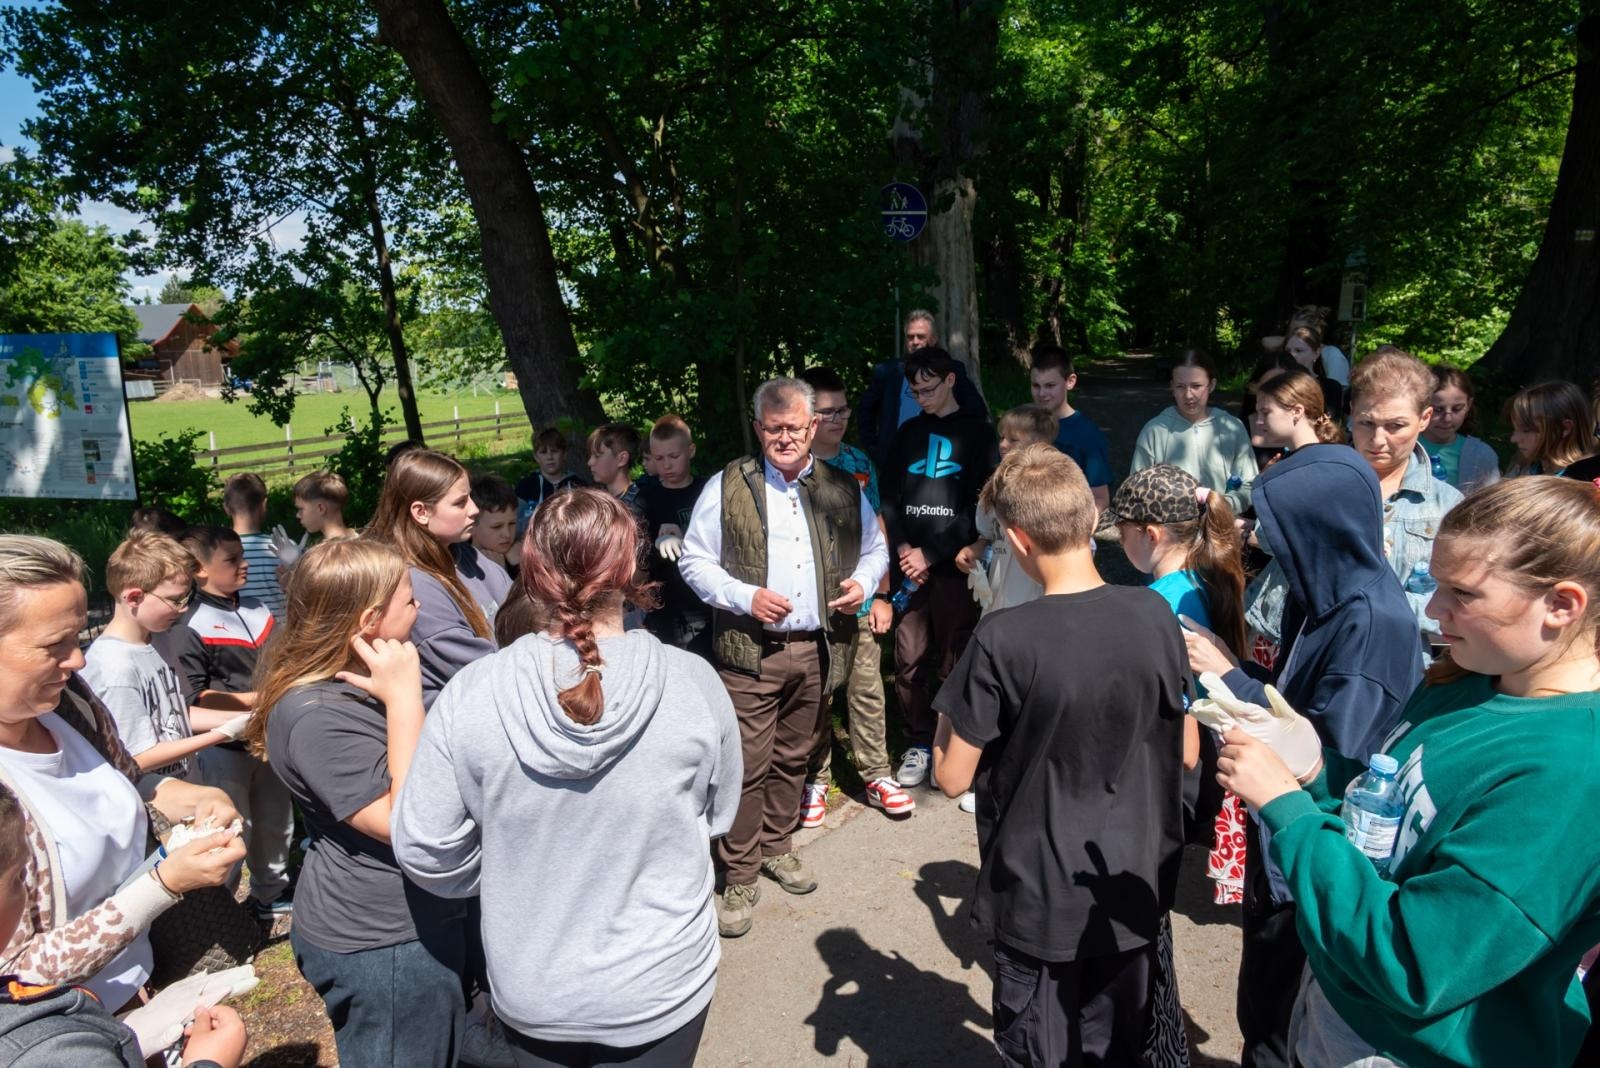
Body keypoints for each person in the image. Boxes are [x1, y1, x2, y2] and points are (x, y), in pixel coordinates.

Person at [1199, 476, 1600, 1068]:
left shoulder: (1567, 773)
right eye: (1436, 584)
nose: (1433, 611)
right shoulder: (1469, 678)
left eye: (1463, 593)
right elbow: (1395, 814)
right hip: (1347, 993)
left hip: (1411, 1045)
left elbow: (1414, 964)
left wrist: (1288, 809)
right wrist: (1318, 771)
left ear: (1561, 606)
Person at [392, 488, 742, 1065]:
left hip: (535, 991)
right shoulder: (694, 683)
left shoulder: (471, 694)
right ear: (629, 568)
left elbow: (426, 848)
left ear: (531, 570)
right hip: (664, 983)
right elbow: (718, 813)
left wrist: (508, 868)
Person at [930, 444, 1190, 1067]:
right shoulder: (1156, 612)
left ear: (1018, 540)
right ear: (1091, 518)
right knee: (1118, 1050)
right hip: (1131, 887)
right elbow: (1184, 751)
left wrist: (950, 701)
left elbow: (950, 775)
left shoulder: (1001, 638)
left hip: (1039, 900)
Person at [1181, 444, 1423, 1068]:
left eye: (1276, 525)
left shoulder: (1370, 628)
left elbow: (1322, 760)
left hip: (1308, 858)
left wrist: (1229, 678)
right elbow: (1293, 700)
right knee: (1260, 1003)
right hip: (1279, 844)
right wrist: (1233, 669)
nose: (1261, 538)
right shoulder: (1323, 594)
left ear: (1319, 527)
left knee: (1277, 1019)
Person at [679, 377, 888, 937]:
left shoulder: (842, 486)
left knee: (794, 756)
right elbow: (694, 561)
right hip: (751, 652)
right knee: (746, 764)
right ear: (758, 428)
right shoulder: (728, 484)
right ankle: (739, 874)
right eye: (774, 429)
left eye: (794, 427)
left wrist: (863, 583)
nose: (785, 438)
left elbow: (875, 550)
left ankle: (777, 846)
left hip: (818, 647)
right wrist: (743, 597)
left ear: (813, 426)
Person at [0, 535, 246, 1009]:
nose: (78, 659)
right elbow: (13, 970)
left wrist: (194, 797)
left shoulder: (71, 704)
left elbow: (127, 778)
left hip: (140, 988)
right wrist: (162, 886)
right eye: (54, 644)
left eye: (76, 637)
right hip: (64, 1022)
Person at [252, 540, 467, 1066]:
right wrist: (404, 698)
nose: (420, 608)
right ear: (371, 620)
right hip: (383, 942)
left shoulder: (350, 685)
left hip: (410, 921)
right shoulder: (317, 715)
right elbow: (407, 821)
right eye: (410, 601)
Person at [0, 782, 249, 1067]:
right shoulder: (49, 1049)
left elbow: (137, 779)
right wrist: (209, 1063)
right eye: (20, 876)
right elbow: (18, 964)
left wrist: (119, 1035)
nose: (26, 886)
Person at [797, 367, 913, 824]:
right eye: (827, 412)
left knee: (866, 691)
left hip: (861, 598)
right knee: (817, 694)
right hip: (811, 606)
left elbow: (877, 528)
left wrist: (882, 594)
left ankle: (877, 775)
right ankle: (815, 779)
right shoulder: (793, 466)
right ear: (807, 416)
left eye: (843, 409)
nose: (838, 419)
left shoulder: (859, 461)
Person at [162, 526, 294, 923]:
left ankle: (271, 893)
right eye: (232, 559)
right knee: (234, 827)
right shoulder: (189, 624)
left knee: (276, 820)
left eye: (243, 556)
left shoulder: (258, 607)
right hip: (223, 748)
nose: (245, 565)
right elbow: (193, 697)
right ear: (199, 570)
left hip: (268, 738)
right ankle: (221, 914)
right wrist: (257, 701)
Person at [881, 347, 998, 789]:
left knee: (954, 658)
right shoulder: (908, 432)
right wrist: (905, 548)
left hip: (952, 568)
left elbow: (980, 507)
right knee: (909, 658)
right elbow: (889, 498)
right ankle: (918, 740)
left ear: (950, 381)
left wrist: (931, 553)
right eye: (915, 391)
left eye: (928, 389)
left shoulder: (978, 434)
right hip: (910, 569)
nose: (921, 398)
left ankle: (952, 743)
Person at [81, 532, 244, 782]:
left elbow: (175, 715)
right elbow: (138, 757)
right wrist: (224, 733)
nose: (184, 607)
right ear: (134, 597)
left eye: (187, 597)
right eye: (175, 600)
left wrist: (245, 719)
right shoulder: (114, 669)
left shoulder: (159, 639)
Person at [364, 448, 509, 709]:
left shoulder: (464, 554)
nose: (474, 509)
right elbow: (484, 674)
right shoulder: (413, 586)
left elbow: (526, 611)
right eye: (460, 503)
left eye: (470, 498)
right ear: (421, 512)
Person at [1348, 348, 1463, 650]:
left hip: (1400, 656)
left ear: (1424, 418)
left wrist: (1373, 609)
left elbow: (1456, 601)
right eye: (1366, 423)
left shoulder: (1447, 506)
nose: (1377, 440)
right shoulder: (1319, 481)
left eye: (1395, 426)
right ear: (1351, 411)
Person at [1131, 349, 1258, 513]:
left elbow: (1250, 483)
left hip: (1223, 523)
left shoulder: (1232, 427)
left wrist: (1222, 506)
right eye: (1180, 386)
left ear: (1211, 385)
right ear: (1172, 387)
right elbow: (1137, 488)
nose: (1188, 395)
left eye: (1196, 386)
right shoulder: (1155, 431)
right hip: (1171, 527)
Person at [858, 309, 988, 466]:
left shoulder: (952, 370)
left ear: (933, 339)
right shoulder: (887, 372)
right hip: (895, 455)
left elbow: (976, 409)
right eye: (910, 337)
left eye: (921, 336)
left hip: (940, 454)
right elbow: (865, 411)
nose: (915, 341)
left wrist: (960, 441)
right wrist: (873, 448)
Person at [641, 415, 713, 659]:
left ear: (690, 451)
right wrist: (654, 545)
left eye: (674, 456)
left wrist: (686, 540)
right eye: (659, 458)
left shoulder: (708, 492)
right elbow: (637, 557)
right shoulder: (646, 499)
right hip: (665, 610)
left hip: (706, 607)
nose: (667, 466)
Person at [1030, 345, 1112, 509]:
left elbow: (1100, 499)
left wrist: (1075, 526)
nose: (1041, 394)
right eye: (1036, 386)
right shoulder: (1024, 426)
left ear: (1070, 381)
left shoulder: (1087, 435)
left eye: (1050, 385)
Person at [1420, 367, 1500, 495]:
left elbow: (1491, 503)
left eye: (1457, 409)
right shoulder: (1403, 446)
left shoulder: (1481, 455)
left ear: (1469, 405)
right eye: (1438, 410)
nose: (1447, 418)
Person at [222, 473, 286, 622]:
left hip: (238, 631)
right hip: (282, 632)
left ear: (226, 508)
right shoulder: (285, 548)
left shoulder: (218, 553)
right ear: (264, 505)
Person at [1506, 380, 1596, 477]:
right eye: (1515, 429)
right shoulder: (1522, 466)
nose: (1514, 439)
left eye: (1526, 430)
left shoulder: (1587, 480)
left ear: (1564, 428)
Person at [514, 427, 582, 534]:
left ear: (564, 454)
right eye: (543, 452)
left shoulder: (578, 486)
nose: (549, 457)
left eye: (554, 451)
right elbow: (515, 523)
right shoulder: (525, 487)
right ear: (536, 457)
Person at [1284, 323, 1344, 419]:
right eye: (1288, 351)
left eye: (1299, 350)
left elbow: (1330, 422)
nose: (1292, 355)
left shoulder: (1330, 387)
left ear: (1316, 353)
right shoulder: (1278, 383)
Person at [469, 473, 522, 578]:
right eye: (497, 527)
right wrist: (500, 573)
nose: (507, 534)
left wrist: (520, 566)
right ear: (472, 525)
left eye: (512, 524)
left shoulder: (520, 554)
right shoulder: (462, 566)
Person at [587, 424, 643, 514]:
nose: (590, 462)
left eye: (597, 456)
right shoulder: (601, 501)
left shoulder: (634, 508)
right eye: (591, 456)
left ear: (622, 459)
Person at [1288, 305, 1349, 388]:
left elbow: (1338, 389)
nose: (1294, 335)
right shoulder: (1289, 349)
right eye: (1291, 331)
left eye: (1300, 330)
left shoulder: (1331, 354)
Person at [292, 471, 353, 542]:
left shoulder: (332, 548)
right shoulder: (359, 540)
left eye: (301, 509)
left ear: (320, 508)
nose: (298, 515)